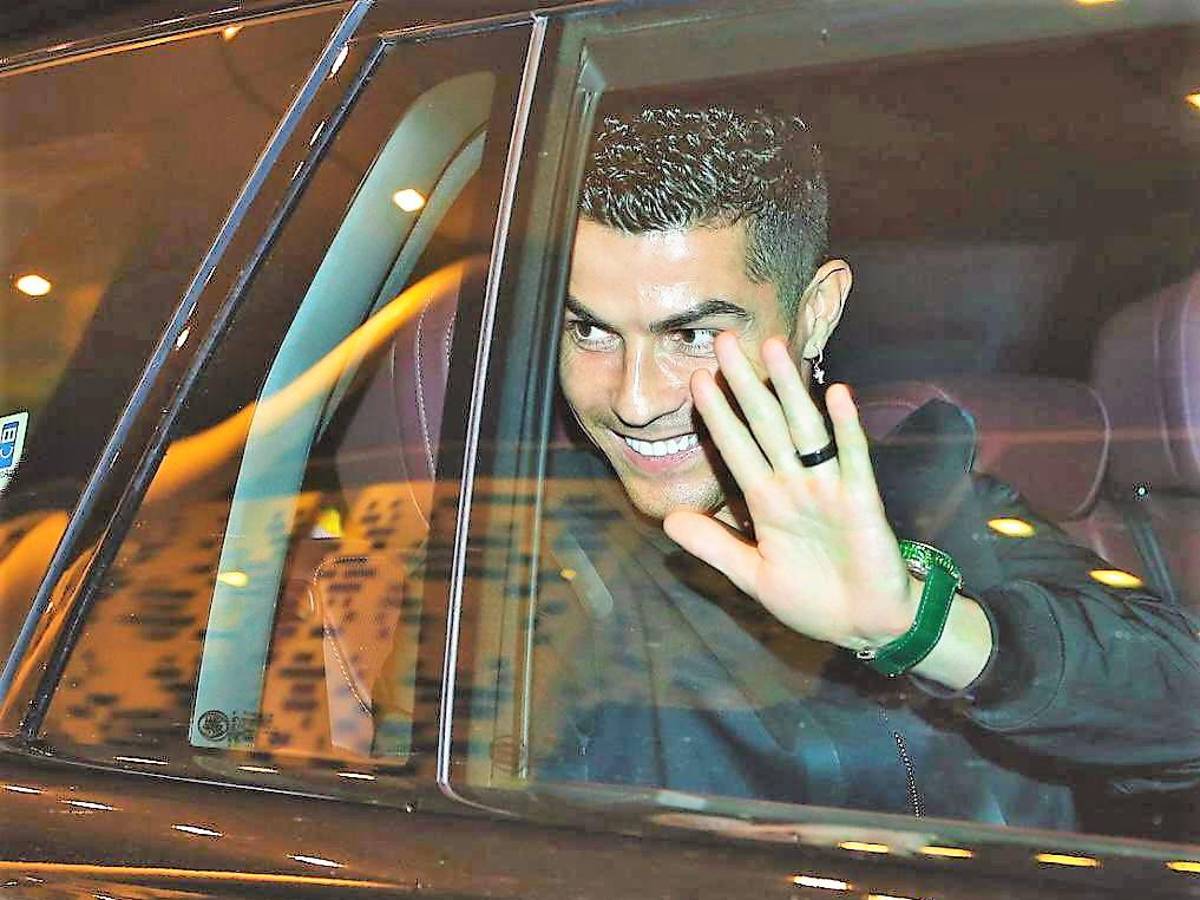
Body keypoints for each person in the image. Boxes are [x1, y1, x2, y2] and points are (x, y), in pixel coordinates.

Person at [528, 104, 1200, 830]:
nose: (632, 400)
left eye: (691, 335)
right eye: (589, 329)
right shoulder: (522, 546)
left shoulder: (930, 503)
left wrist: (916, 626)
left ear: (815, 313)